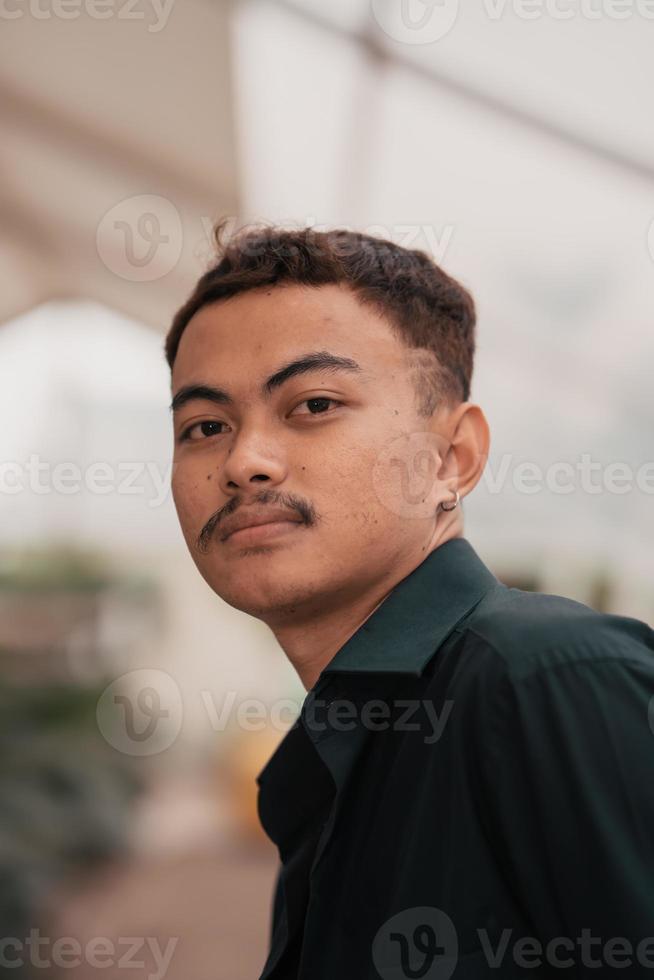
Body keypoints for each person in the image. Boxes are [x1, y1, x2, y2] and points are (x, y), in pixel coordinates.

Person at [165, 221, 654, 979]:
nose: (243, 461)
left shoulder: (545, 682)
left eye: (314, 404)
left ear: (451, 459)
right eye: (204, 425)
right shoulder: (337, 752)